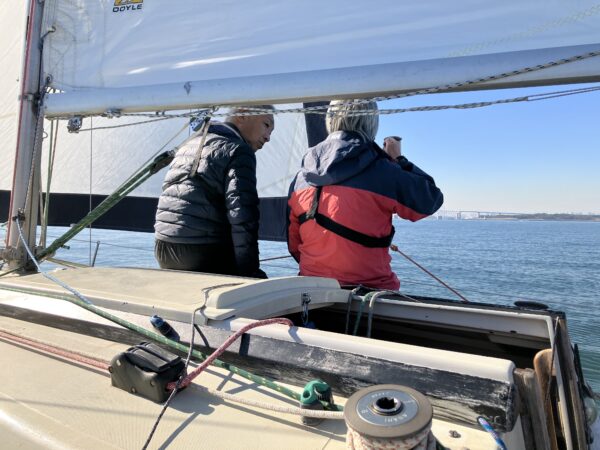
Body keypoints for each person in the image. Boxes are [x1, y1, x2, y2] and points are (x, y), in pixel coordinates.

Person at [287, 100, 443, 290]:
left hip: (311, 291)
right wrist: (399, 160)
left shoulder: (300, 178)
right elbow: (429, 201)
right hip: (371, 291)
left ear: (330, 121)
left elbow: (294, 243)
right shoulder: (384, 170)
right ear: (372, 123)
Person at [154, 107, 275, 278]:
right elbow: (242, 215)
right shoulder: (238, 150)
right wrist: (250, 271)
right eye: (266, 125)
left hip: (163, 248)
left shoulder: (189, 143)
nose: (268, 137)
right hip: (201, 253)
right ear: (242, 115)